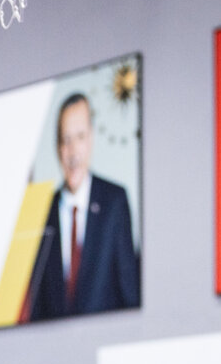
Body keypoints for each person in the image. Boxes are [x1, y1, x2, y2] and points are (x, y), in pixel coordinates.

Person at [23, 93, 139, 321]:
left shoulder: (115, 201)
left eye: (80, 137)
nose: (73, 151)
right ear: (57, 147)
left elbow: (130, 294)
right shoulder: (41, 211)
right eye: (65, 140)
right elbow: (36, 305)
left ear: (91, 139)